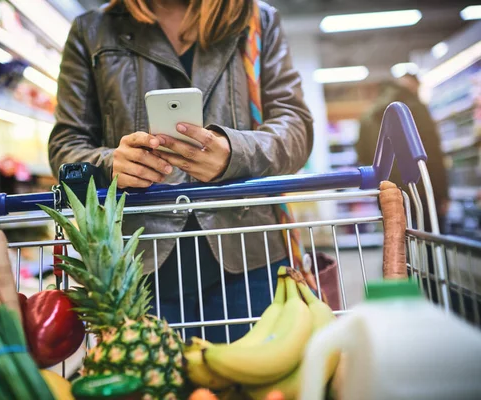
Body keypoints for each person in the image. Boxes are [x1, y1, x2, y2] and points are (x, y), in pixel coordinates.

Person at [49, 0, 313, 342]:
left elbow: (296, 128)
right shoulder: (92, 31)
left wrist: (234, 152)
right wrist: (111, 164)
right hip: (136, 269)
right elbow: (65, 146)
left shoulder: (257, 19)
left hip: (251, 260)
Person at [356, 73, 449, 232]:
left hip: (388, 191)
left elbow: (362, 156)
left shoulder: (369, 115)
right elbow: (432, 153)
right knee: (428, 242)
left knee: (397, 245)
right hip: (420, 190)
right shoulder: (415, 108)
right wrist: (442, 193)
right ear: (413, 86)